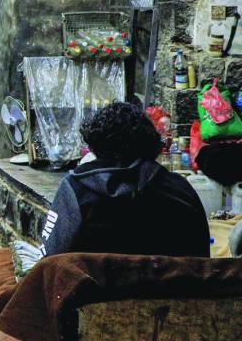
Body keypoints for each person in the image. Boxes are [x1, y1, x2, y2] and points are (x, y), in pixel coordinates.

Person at [40, 102, 210, 257]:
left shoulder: (76, 188)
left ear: (95, 146)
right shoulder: (180, 188)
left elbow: (49, 260)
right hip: (171, 281)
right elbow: (202, 260)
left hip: (97, 282)